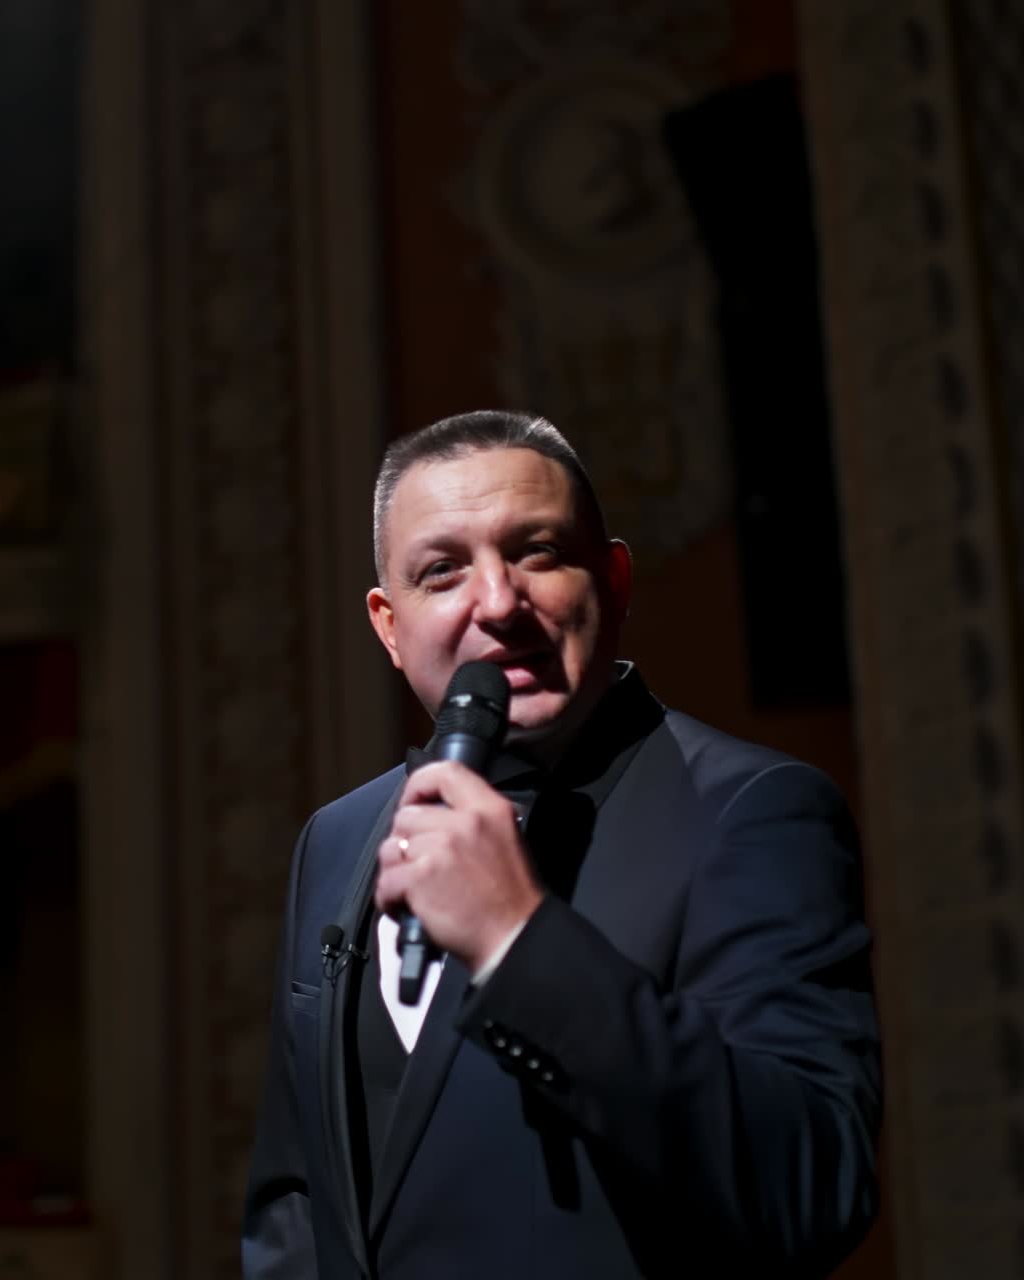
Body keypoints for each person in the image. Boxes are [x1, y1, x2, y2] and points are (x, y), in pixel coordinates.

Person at [242, 410, 880, 1279]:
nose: (499, 603)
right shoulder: (339, 837)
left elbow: (813, 1185)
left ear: (613, 580)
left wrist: (518, 941)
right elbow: (295, 1199)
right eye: (443, 571)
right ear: (390, 626)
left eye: (538, 552)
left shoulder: (753, 810)